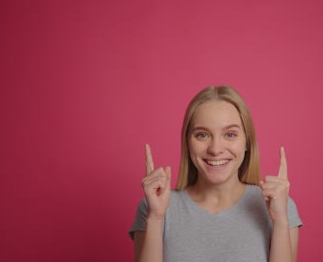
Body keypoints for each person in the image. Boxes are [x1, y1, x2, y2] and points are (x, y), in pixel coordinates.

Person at [129, 86, 302, 262]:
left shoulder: (280, 206)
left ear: (247, 142)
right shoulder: (153, 208)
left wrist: (280, 221)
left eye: (230, 134)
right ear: (188, 143)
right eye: (202, 135)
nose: (215, 149)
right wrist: (156, 218)